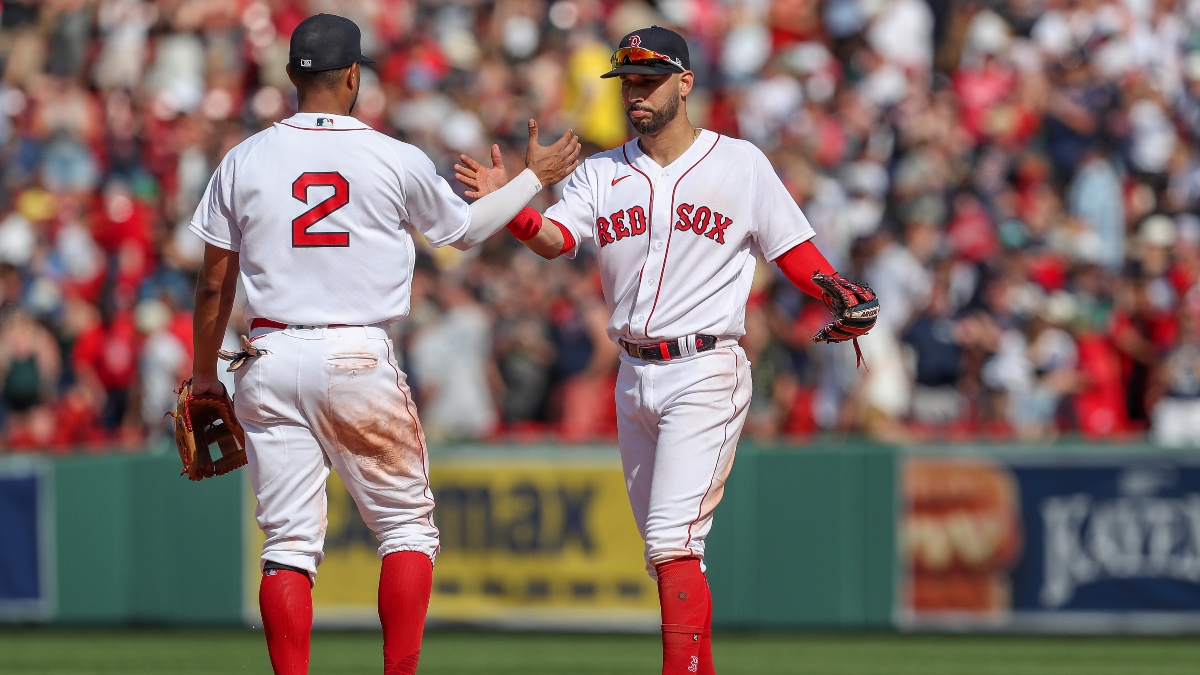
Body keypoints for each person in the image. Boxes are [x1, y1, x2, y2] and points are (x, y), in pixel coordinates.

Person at [455, 25, 875, 675]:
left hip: (706, 365)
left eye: (649, 80)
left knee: (671, 541)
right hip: (632, 374)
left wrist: (834, 287)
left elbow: (789, 248)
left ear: (686, 81)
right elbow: (554, 239)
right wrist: (514, 200)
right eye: (627, 82)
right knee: (671, 555)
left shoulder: (740, 163)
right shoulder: (600, 171)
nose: (635, 93)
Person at [187, 14, 579, 675]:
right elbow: (463, 231)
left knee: (286, 546)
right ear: (353, 75)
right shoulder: (393, 155)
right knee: (406, 530)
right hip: (356, 356)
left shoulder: (244, 158)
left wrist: (203, 376)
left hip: (269, 356)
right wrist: (531, 178)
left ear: (289, 77)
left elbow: (212, 283)